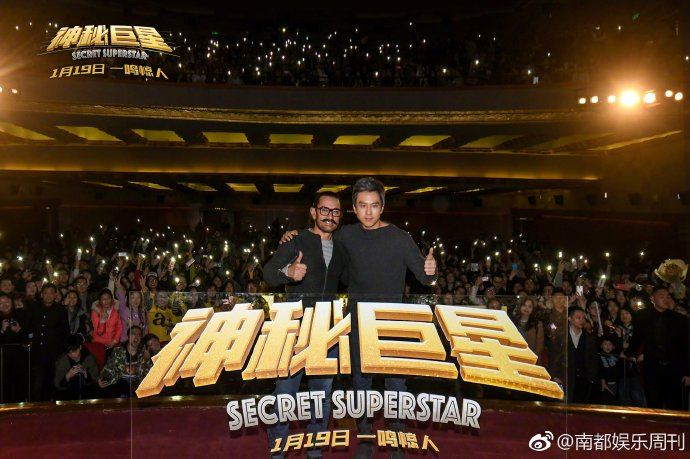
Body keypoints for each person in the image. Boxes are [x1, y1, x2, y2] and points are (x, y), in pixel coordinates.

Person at [329, 177, 437, 459]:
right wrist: (292, 238)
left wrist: (431, 270)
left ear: (383, 206)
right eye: (363, 205)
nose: (368, 212)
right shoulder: (345, 235)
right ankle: (365, 436)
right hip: (358, 320)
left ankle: (396, 437)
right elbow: (321, 244)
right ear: (354, 208)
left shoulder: (400, 238)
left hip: (393, 321)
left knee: (396, 383)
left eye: (374, 205)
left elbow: (426, 277)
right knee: (361, 381)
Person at [263, 191, 348, 459]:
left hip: (326, 330)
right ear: (313, 212)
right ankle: (278, 450)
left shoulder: (343, 247)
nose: (329, 216)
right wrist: (287, 273)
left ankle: (315, 451)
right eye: (324, 210)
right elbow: (268, 272)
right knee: (284, 394)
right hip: (295, 329)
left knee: (322, 396)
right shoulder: (296, 241)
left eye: (335, 211)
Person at [626, 285, 690, 410]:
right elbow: (637, 338)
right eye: (661, 296)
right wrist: (627, 352)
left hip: (674, 371)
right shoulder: (643, 316)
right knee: (654, 405)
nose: (665, 299)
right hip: (652, 370)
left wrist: (688, 372)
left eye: (667, 296)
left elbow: (687, 347)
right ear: (652, 298)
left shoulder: (681, 320)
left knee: (675, 406)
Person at [98, 326, 152, 398]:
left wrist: (146, 359)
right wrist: (100, 379)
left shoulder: (144, 353)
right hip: (119, 383)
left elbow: (149, 375)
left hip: (136, 385)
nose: (136, 337)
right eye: (133, 334)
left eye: (139, 335)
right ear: (128, 336)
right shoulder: (118, 351)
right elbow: (107, 369)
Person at [566, 305, 598, 403]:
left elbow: (593, 359)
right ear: (569, 318)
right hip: (566, 378)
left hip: (584, 380)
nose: (582, 320)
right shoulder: (562, 336)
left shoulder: (589, 338)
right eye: (578, 318)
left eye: (583, 318)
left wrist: (591, 378)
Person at [53, 334, 99, 400]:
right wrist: (67, 376)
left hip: (86, 391)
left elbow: (95, 380)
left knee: (95, 392)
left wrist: (86, 374)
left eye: (74, 351)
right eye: (69, 353)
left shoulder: (89, 358)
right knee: (58, 396)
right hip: (67, 393)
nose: (72, 355)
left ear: (80, 347)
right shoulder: (62, 361)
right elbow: (57, 385)